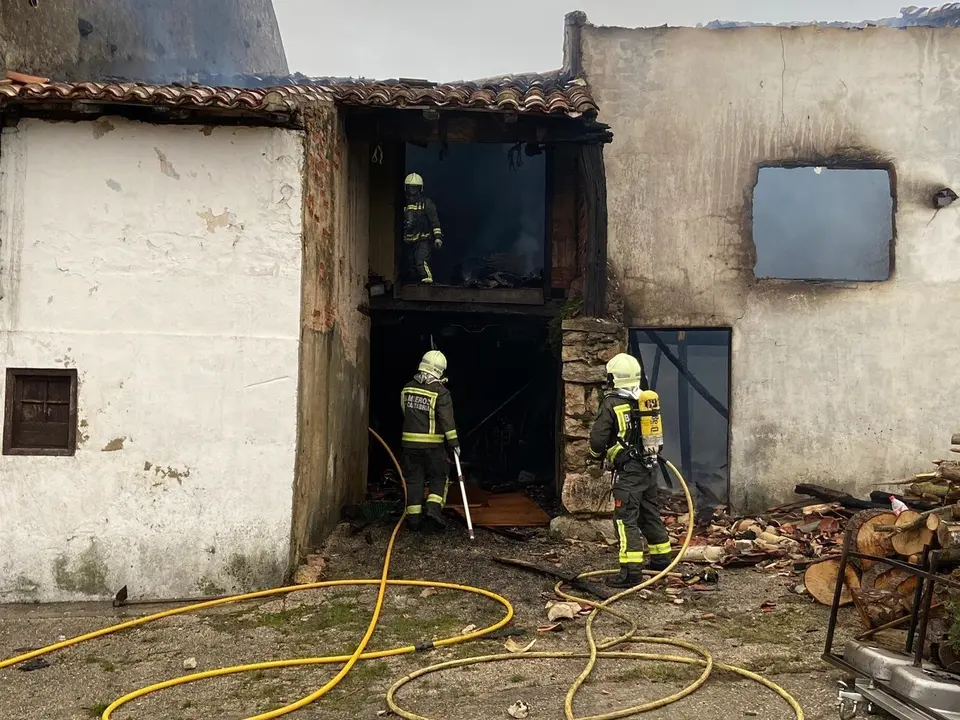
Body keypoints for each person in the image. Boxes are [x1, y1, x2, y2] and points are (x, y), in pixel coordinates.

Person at [589, 353, 672, 588]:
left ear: (614, 378)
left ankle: (630, 572)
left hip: (629, 471)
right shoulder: (644, 400)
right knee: (649, 513)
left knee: (625, 519)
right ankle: (661, 559)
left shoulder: (612, 402)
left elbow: (598, 439)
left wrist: (595, 456)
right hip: (648, 466)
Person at [400, 350, 459, 531]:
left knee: (414, 480)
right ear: (440, 371)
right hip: (433, 446)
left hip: (409, 445)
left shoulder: (407, 388)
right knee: (439, 476)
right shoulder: (440, 392)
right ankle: (433, 510)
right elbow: (447, 421)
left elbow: (405, 411)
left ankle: (414, 519)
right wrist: (454, 443)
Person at [402, 173, 443, 284]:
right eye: (411, 187)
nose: (413, 189)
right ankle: (416, 284)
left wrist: (438, 238)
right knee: (411, 264)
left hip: (423, 239)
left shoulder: (427, 204)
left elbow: (435, 222)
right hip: (409, 241)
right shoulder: (404, 204)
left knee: (421, 260)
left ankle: (427, 282)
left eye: (415, 187)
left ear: (420, 188)